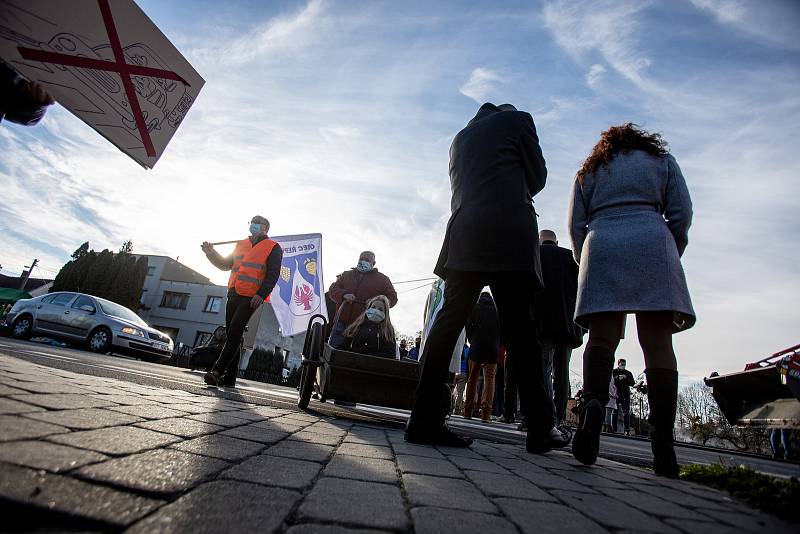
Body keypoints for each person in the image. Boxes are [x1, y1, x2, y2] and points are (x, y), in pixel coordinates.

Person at [405, 102, 566, 453]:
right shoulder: (520, 119)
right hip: (509, 230)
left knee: (448, 323)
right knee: (521, 332)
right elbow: (537, 177)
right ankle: (540, 428)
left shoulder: (459, 139)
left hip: (466, 232)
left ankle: (422, 419)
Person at [569, 123, 694, 477]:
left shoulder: (588, 172)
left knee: (602, 338)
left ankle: (592, 403)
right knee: (657, 343)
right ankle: (664, 444)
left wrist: (587, 262)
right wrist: (671, 250)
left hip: (602, 244)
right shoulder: (662, 162)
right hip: (653, 242)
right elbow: (681, 214)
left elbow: (576, 225)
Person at [201, 215, 283, 387]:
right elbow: (225, 265)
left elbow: (273, 275)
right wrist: (211, 253)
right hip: (234, 292)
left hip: (252, 297)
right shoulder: (241, 244)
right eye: (251, 222)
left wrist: (261, 294)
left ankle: (217, 371)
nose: (252, 225)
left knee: (235, 331)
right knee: (233, 334)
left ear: (265, 228)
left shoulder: (273, 247)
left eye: (257, 223)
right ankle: (230, 379)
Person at [535, 229, 584, 426]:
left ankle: (544, 414)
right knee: (562, 371)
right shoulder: (571, 258)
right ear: (556, 241)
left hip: (542, 320)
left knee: (544, 368)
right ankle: (560, 416)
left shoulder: (535, 253)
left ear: (539, 239)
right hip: (568, 322)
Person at [328, 251, 397, 346]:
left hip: (364, 325)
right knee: (334, 349)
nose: (363, 261)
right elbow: (333, 289)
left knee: (357, 352)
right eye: (361, 259)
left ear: (373, 263)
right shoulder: (346, 274)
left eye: (367, 259)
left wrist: (376, 301)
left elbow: (392, 297)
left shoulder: (383, 279)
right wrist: (344, 294)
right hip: (341, 321)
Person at [463, 292, 501, 422]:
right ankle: (486, 414)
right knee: (490, 379)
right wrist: (497, 343)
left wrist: (471, 339)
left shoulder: (475, 307)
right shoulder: (497, 310)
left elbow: (468, 325)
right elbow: (503, 329)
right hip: (492, 349)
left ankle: (468, 411)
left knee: (472, 378)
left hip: (477, 346)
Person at [612, 358, 636, 434]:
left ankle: (627, 429)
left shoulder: (628, 373)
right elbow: (610, 380)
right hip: (615, 394)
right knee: (614, 412)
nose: (623, 366)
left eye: (624, 364)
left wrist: (626, 378)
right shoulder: (614, 372)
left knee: (626, 412)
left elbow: (632, 383)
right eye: (621, 364)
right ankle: (614, 428)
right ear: (618, 364)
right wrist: (617, 378)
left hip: (625, 395)